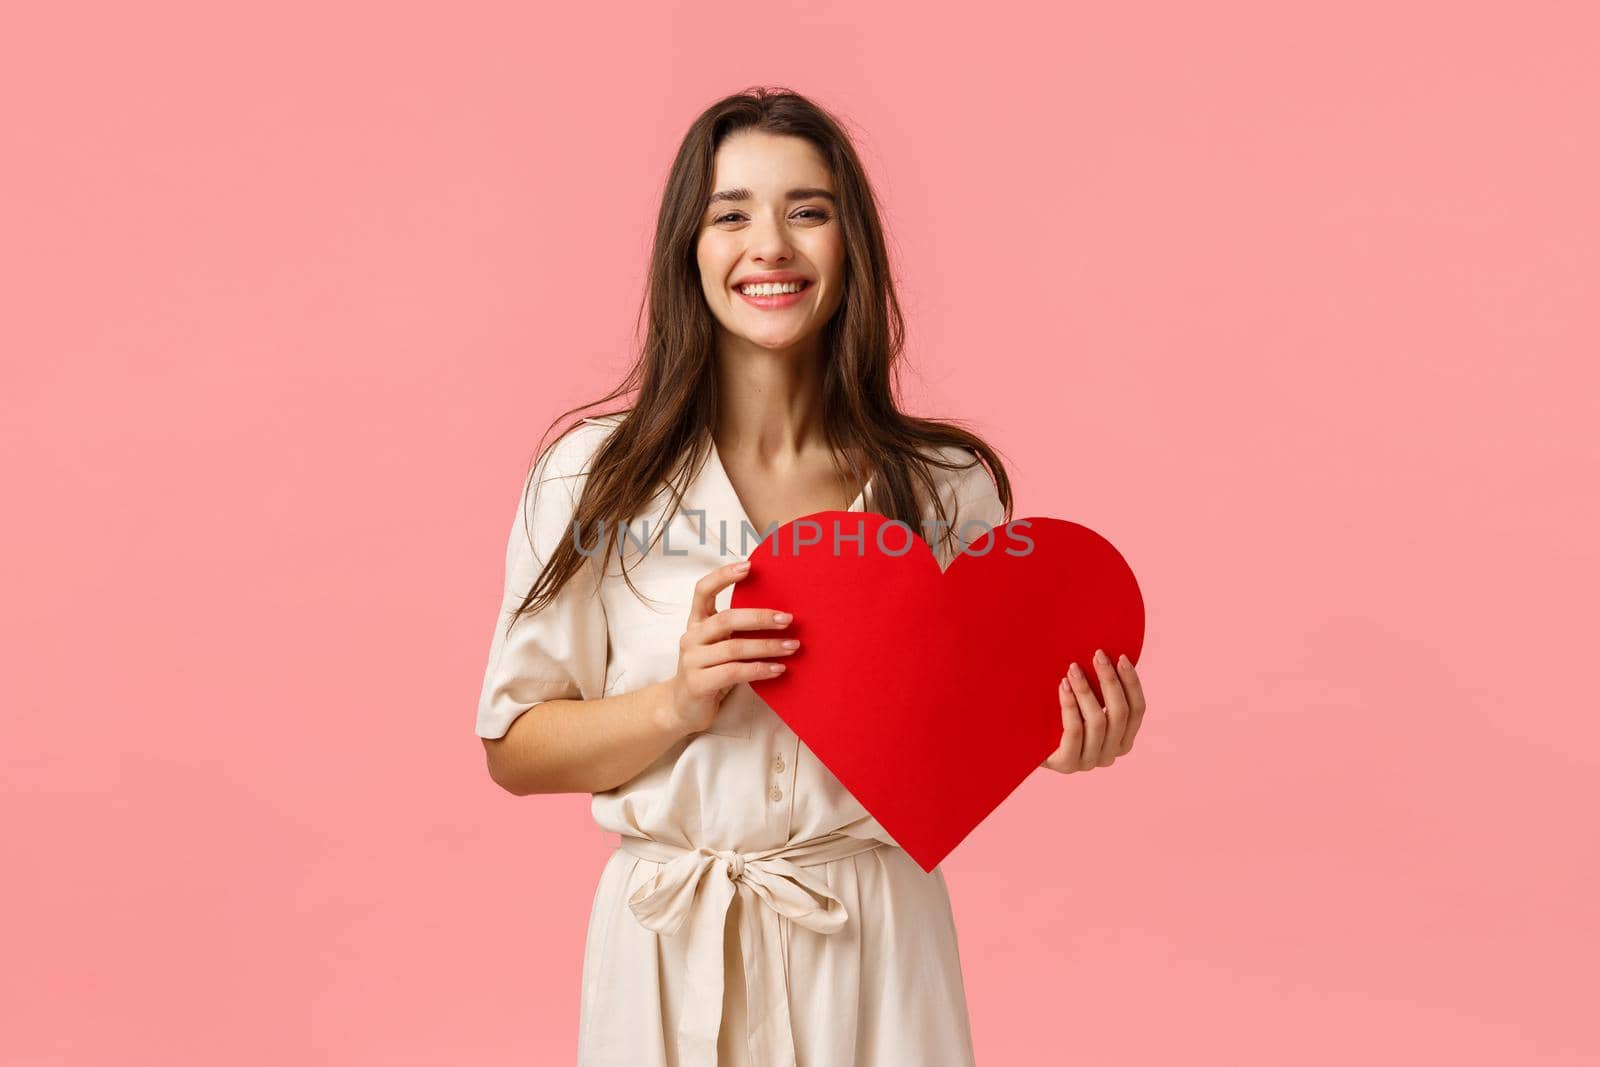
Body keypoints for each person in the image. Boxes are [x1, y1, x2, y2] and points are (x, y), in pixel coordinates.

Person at [475, 87, 1148, 1067]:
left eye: (808, 210)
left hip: (874, 944)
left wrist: (1052, 735)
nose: (770, 245)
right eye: (731, 212)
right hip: (668, 944)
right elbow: (513, 748)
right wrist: (677, 700)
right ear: (686, 249)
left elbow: (971, 714)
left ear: (851, 245)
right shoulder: (592, 475)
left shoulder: (944, 485)